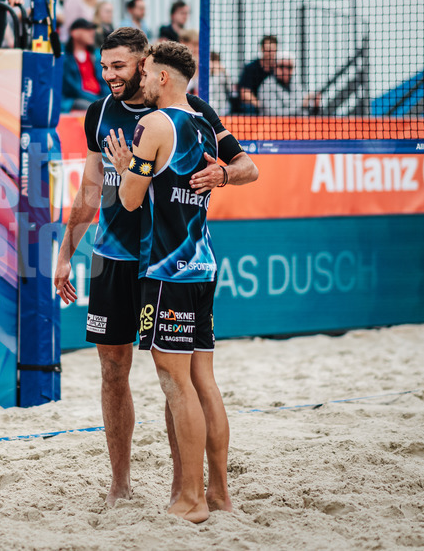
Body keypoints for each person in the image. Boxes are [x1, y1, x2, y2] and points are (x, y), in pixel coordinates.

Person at [53, 27, 257, 510]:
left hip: (163, 261)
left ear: (146, 64)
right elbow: (90, 189)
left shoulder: (188, 109)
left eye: (119, 66)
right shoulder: (100, 112)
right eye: (104, 66)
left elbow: (247, 167)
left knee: (174, 378)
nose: (110, 76)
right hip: (114, 257)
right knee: (114, 369)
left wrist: (223, 173)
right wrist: (65, 253)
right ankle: (121, 484)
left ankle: (184, 488)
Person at [103, 40, 233, 523]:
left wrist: (125, 168)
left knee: (176, 385)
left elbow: (131, 200)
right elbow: (237, 168)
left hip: (166, 271)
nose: (141, 78)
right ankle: (219, 494)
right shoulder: (204, 125)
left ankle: (191, 499)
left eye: (146, 71)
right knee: (204, 382)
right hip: (202, 264)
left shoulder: (155, 125)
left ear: (161, 76)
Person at [61, 18, 109, 113]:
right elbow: (73, 89)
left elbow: (105, 81)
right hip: (78, 100)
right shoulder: (65, 58)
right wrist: (98, 101)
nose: (92, 32)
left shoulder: (97, 56)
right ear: (74, 33)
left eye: (92, 29)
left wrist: (107, 99)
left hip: (98, 98)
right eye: (87, 29)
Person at [235, 34, 277, 115]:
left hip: (275, 106)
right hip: (256, 107)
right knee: (248, 108)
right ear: (262, 49)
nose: (270, 53)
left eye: (272, 50)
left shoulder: (279, 70)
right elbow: (245, 93)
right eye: (268, 50)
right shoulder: (251, 68)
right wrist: (261, 105)